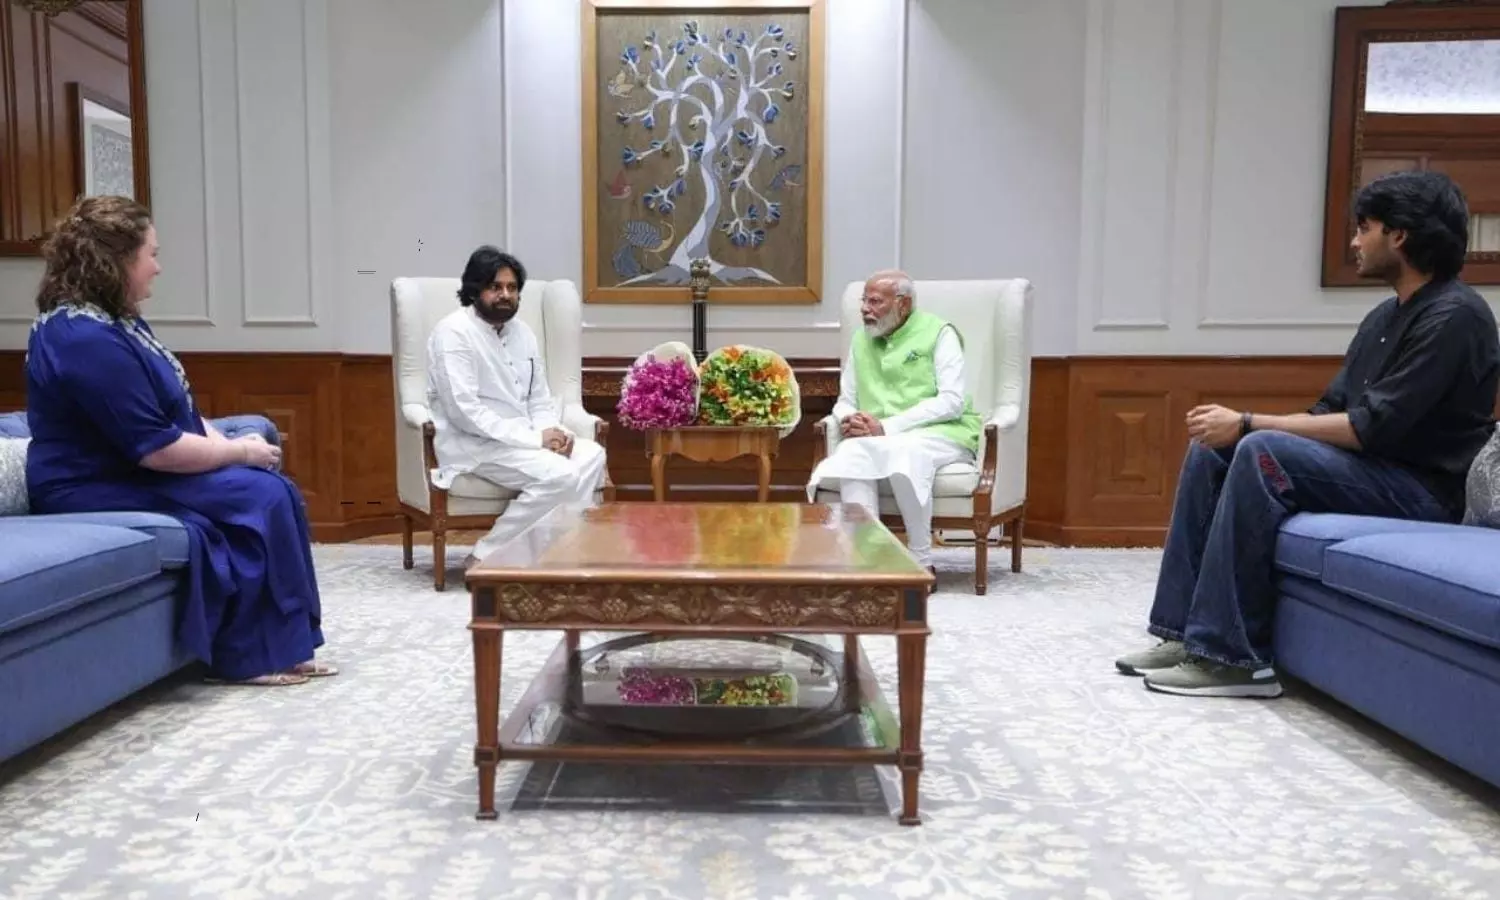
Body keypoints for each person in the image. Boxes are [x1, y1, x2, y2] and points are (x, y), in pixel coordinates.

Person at [1117, 169, 1500, 698]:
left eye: (1363, 228)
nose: (1354, 242)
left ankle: (1234, 659)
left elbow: (1371, 429)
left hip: (1425, 491)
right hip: (1376, 471)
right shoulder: (1383, 317)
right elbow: (1331, 408)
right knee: (1213, 451)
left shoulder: (1457, 317)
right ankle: (1183, 635)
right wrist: (1241, 431)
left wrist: (1250, 423)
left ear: (1400, 235)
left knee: (1257, 447)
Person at [24, 195, 334, 687]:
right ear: (118, 260)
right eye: (151, 254)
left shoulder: (118, 322)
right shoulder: (80, 338)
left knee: (267, 485)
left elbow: (179, 413)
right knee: (261, 494)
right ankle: (252, 655)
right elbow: (156, 448)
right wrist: (239, 452)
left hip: (131, 467)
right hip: (89, 483)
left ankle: (285, 644)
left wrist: (229, 440)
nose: (159, 267)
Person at [426, 246, 608, 567]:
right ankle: (487, 556)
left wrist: (555, 433)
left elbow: (538, 397)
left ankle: (549, 554)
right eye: (495, 287)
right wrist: (537, 441)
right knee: (562, 476)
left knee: (592, 453)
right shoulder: (453, 333)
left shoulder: (522, 333)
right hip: (474, 445)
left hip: (521, 441)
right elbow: (464, 413)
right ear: (475, 290)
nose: (505, 295)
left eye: (512, 288)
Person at [806, 269, 983, 576]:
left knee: (905, 452)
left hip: (942, 432)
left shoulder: (940, 333)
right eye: (864, 301)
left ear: (903, 304)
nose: (864, 309)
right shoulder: (862, 339)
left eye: (875, 302)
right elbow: (847, 398)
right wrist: (851, 418)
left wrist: (886, 427)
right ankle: (871, 561)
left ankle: (920, 561)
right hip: (879, 436)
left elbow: (951, 400)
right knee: (851, 455)